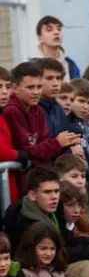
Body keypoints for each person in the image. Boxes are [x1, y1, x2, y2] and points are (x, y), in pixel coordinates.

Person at [3, 62, 80, 169]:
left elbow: (44, 145)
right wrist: (57, 143)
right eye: (30, 87)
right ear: (14, 89)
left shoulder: (37, 109)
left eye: (39, 87)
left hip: (42, 168)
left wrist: (66, 144)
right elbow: (25, 152)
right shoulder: (11, 111)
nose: (36, 92)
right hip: (23, 173)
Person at [3, 167, 61, 253]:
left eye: (56, 191)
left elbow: (67, 241)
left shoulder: (54, 209)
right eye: (47, 192)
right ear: (32, 195)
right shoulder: (24, 224)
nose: (54, 197)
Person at [0, 67, 29, 204]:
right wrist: (18, 155)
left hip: (8, 187)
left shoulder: (2, 115)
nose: (4, 92)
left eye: (7, 87)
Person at [33, 16, 80, 81]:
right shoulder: (33, 66)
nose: (56, 32)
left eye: (59, 29)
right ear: (40, 38)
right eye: (49, 30)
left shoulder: (70, 65)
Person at [36, 58, 69, 139]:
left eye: (58, 78)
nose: (55, 84)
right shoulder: (31, 108)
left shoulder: (58, 108)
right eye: (49, 78)